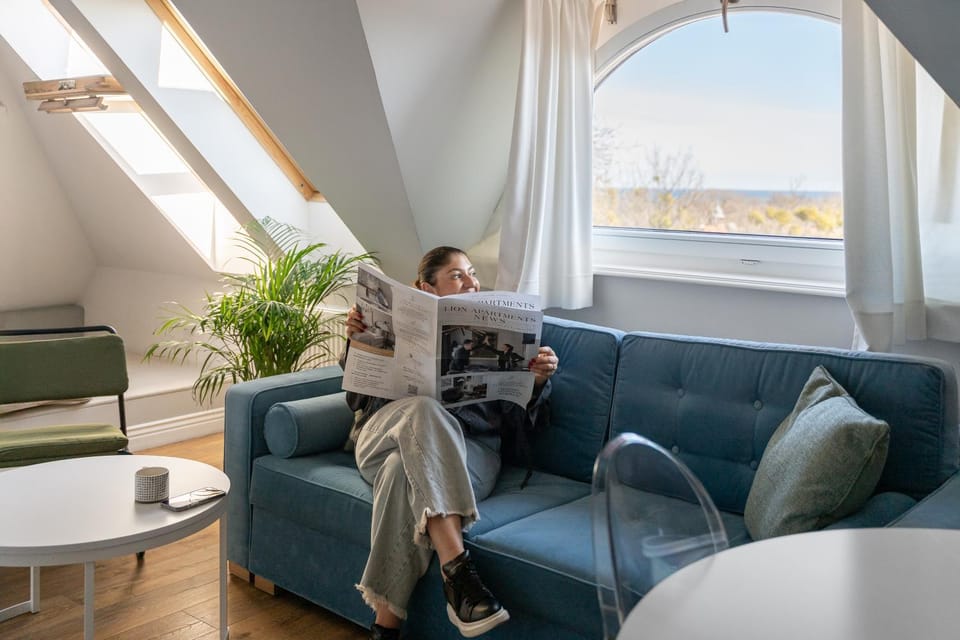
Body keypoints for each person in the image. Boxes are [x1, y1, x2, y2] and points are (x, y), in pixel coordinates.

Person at [341, 246, 560, 640]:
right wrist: (356, 345)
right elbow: (356, 401)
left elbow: (522, 426)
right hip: (384, 437)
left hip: (470, 453)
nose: (472, 282)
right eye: (458, 275)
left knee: (401, 474)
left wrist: (537, 383)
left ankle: (384, 630)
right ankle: (457, 571)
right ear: (428, 288)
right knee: (423, 409)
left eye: (472, 273)